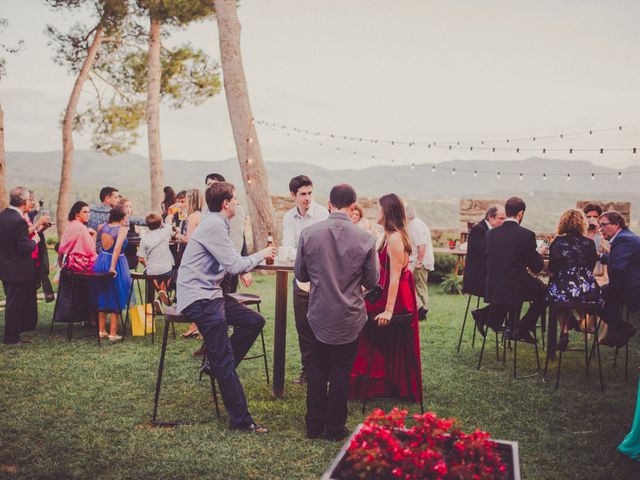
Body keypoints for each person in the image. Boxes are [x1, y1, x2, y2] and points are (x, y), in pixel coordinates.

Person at [177, 181, 275, 433]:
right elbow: (233, 265)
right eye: (235, 198)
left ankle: (214, 366)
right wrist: (262, 253)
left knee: (254, 321)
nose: (238, 202)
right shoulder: (213, 226)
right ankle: (241, 421)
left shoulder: (219, 224)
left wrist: (247, 262)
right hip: (199, 298)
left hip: (211, 294)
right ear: (226, 204)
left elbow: (230, 262)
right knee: (225, 359)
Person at [294, 184, 378, 440]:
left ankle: (313, 426)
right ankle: (334, 429)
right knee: (342, 373)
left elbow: (300, 274)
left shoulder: (309, 234)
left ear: (329, 204)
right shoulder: (366, 238)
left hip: (318, 313)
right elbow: (372, 280)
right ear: (353, 207)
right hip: (349, 316)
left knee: (316, 369)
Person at [349, 193, 423, 405]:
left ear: (388, 212)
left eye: (379, 209)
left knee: (362, 326)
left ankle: (373, 383)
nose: (376, 212)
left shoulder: (395, 239)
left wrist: (389, 310)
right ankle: (382, 382)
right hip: (386, 292)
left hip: (397, 297)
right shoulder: (387, 236)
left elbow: (395, 277)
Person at [477, 197, 546, 343]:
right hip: (514, 287)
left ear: (507, 212)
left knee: (517, 286)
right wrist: (539, 254)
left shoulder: (490, 234)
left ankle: (498, 320)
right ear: (520, 214)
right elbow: (536, 267)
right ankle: (522, 328)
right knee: (544, 292)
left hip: (493, 287)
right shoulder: (527, 235)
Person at [282, 175, 330, 385]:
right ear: (293, 195)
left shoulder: (322, 214)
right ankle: (307, 371)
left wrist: (299, 252)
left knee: (320, 325)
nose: (307, 198)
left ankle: (322, 372)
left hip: (321, 281)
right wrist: (302, 253)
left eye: (310, 193)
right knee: (303, 326)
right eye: (303, 194)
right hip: (301, 279)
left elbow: (323, 249)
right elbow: (286, 247)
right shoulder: (288, 217)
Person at [547, 209, 604, 350]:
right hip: (587, 291)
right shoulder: (589, 243)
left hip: (564, 289)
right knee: (572, 297)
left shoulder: (557, 242)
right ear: (582, 224)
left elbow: (553, 268)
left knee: (557, 297)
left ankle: (564, 333)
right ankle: (582, 323)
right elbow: (590, 267)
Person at [0, 187, 47, 345]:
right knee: (14, 304)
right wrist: (35, 241)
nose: (31, 202)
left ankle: (14, 333)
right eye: (29, 200)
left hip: (6, 267)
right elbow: (23, 247)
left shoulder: (4, 216)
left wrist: (37, 229)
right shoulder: (19, 220)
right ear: (22, 202)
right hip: (18, 269)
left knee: (12, 301)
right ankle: (11, 337)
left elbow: (15, 237)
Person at [597, 211, 640, 347]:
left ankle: (622, 329)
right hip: (632, 284)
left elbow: (618, 268)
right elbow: (622, 261)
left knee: (593, 296)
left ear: (617, 224)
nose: (601, 228)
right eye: (600, 226)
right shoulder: (626, 236)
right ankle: (616, 333)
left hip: (633, 289)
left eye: (604, 225)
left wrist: (611, 288)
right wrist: (600, 257)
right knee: (604, 293)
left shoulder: (622, 239)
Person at [54, 201, 98, 325]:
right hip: (81, 269)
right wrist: (94, 236)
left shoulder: (71, 226)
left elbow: (62, 248)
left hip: (69, 267)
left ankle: (88, 318)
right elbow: (90, 250)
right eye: (85, 212)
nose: (87, 214)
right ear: (76, 213)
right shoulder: (80, 228)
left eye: (88, 212)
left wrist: (60, 263)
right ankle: (92, 319)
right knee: (99, 284)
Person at [92, 206, 132, 342]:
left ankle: (101, 330)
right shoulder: (122, 230)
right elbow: (117, 249)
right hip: (116, 263)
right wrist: (113, 268)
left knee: (102, 294)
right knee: (117, 294)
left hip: (102, 259)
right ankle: (113, 333)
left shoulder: (102, 227)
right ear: (122, 217)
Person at [464, 205, 506, 299]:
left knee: (510, 288)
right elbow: (486, 251)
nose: (504, 222)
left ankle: (486, 313)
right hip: (478, 278)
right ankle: (484, 313)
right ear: (491, 218)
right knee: (506, 289)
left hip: (490, 275)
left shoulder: (496, 231)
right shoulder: (477, 230)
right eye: (501, 218)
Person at [406, 206, 434, 320]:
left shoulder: (415, 225)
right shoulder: (415, 224)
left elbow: (422, 244)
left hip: (420, 262)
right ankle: (420, 310)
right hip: (418, 260)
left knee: (420, 287)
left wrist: (419, 261)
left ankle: (423, 312)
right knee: (417, 286)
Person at [137, 213, 174, 292]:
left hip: (152, 271)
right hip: (166, 270)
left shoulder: (144, 238)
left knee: (148, 273)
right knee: (173, 272)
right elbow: (169, 224)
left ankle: (157, 286)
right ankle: (164, 287)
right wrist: (162, 222)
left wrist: (146, 266)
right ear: (160, 222)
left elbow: (140, 258)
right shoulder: (165, 232)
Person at [583, 203, 605, 276]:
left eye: (595, 217)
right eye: (588, 216)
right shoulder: (580, 233)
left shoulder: (604, 234)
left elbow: (610, 250)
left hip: (600, 275)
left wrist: (599, 230)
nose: (592, 219)